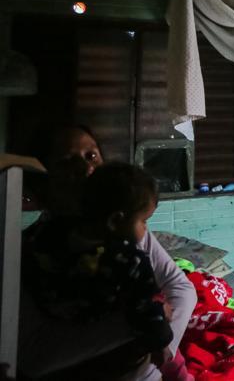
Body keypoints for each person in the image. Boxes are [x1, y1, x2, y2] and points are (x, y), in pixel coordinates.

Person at [19, 125, 198, 380]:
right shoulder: (31, 251)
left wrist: (160, 350)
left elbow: (181, 289)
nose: (86, 169)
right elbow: (33, 356)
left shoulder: (126, 233)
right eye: (66, 162)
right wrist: (141, 324)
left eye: (91, 156)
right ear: (41, 179)